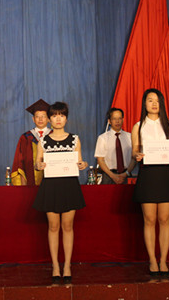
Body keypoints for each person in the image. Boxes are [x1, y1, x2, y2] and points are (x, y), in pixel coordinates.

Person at [32, 102, 88, 284]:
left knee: (68, 226)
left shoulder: (74, 139)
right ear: (49, 119)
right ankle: (55, 266)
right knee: (53, 226)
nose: (58, 119)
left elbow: (80, 161)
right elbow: (37, 163)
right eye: (55, 115)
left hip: (69, 186)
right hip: (50, 186)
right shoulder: (43, 141)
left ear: (66, 119)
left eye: (62, 115)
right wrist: (39, 165)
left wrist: (83, 164)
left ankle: (67, 265)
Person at [131, 89, 169, 277]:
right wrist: (137, 155)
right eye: (150, 100)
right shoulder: (138, 126)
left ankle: (163, 260)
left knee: (165, 219)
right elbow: (134, 151)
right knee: (149, 219)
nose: (154, 104)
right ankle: (152, 260)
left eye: (157, 100)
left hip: (165, 174)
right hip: (148, 174)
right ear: (144, 104)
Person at [11, 99, 51, 186]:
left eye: (43, 116)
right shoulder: (25, 137)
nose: (40, 119)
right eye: (37, 116)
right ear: (33, 119)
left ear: (48, 119)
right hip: (30, 182)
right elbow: (19, 161)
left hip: (52, 183)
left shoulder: (54, 136)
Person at [94, 107, 136, 184]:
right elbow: (100, 160)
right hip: (108, 176)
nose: (117, 121)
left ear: (123, 120)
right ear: (109, 121)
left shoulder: (130, 137)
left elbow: (134, 158)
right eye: (114, 119)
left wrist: (125, 174)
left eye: (120, 118)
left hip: (126, 175)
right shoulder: (102, 138)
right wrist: (113, 176)